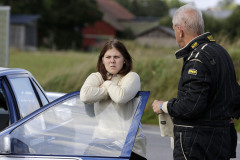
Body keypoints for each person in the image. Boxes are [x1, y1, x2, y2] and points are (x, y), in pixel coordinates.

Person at [152, 4, 239, 160]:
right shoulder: (221, 51)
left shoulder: (197, 58)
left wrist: (163, 106)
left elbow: (191, 106)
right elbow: (235, 96)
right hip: (222, 141)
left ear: (180, 30)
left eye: (173, 30)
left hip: (197, 144)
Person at [80, 39, 147, 160]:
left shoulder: (131, 77)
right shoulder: (96, 76)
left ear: (124, 59)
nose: (112, 61)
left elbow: (120, 97)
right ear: (102, 60)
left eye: (117, 57)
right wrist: (110, 90)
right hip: (100, 142)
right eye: (108, 57)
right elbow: (84, 96)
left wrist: (106, 85)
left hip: (128, 145)